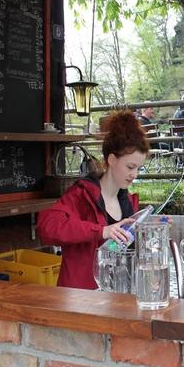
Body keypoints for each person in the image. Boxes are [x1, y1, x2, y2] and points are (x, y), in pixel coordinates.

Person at [37, 110, 147, 289]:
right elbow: (46, 227)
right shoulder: (81, 195)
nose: (134, 175)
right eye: (130, 167)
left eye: (138, 169)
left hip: (118, 295)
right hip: (81, 298)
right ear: (111, 160)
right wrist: (101, 231)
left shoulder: (128, 202)